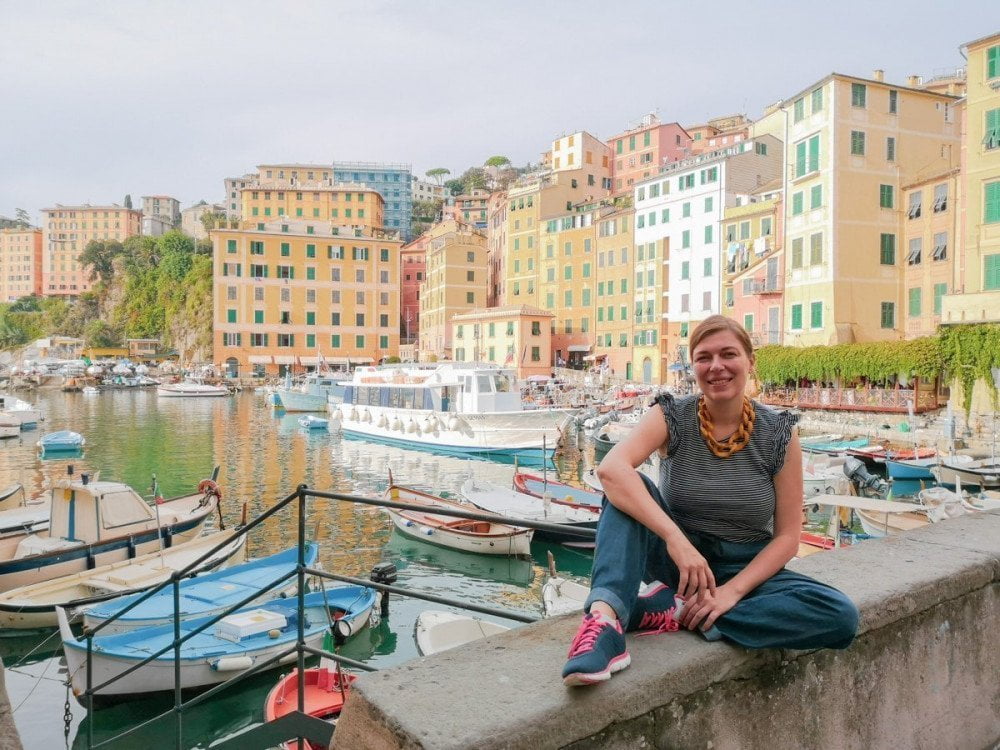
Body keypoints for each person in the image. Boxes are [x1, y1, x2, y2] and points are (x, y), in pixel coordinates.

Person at [562, 315, 858, 686]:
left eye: (728, 354)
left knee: (839, 616)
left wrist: (731, 593)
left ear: (750, 362)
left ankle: (676, 611)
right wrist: (676, 539)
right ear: (694, 367)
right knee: (626, 489)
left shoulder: (779, 433)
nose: (716, 366)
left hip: (743, 568)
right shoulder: (671, 415)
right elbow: (611, 469)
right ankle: (605, 622)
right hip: (680, 565)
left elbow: (787, 538)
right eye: (704, 358)